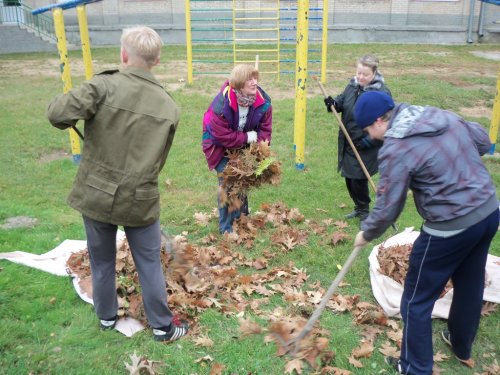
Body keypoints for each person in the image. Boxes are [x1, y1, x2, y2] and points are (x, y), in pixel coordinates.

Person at [46, 26, 188, 342]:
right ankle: (163, 328)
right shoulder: (169, 106)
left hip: (96, 193)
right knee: (149, 262)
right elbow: (159, 159)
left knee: (102, 259)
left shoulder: (103, 86)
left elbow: (56, 113)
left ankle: (107, 318)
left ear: (124, 55)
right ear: (157, 60)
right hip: (141, 196)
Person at [352, 91, 499, 375]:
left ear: (381, 119)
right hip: (488, 212)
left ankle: (414, 368)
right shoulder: (434, 114)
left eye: (369, 128)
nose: (370, 135)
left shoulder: (397, 148)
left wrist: (367, 232)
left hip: (449, 228)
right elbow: (481, 140)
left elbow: (388, 206)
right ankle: (460, 344)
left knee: (416, 300)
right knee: (470, 282)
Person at [202, 64, 272, 233]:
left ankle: (241, 218)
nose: (255, 82)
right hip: (219, 147)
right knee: (227, 182)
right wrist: (248, 137)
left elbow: (265, 129)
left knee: (243, 178)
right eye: (250, 79)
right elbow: (221, 136)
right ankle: (226, 228)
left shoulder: (263, 102)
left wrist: (259, 148)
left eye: (256, 78)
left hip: (243, 147)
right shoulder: (221, 103)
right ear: (240, 83)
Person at [324, 54, 391, 222]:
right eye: (359, 73)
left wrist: (368, 141)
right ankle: (359, 207)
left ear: (374, 73)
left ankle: (364, 212)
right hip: (348, 140)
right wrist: (333, 103)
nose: (360, 77)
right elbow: (342, 101)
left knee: (358, 180)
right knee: (349, 178)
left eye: (365, 74)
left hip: (366, 144)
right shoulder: (352, 85)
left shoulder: (380, 92)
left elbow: (386, 122)